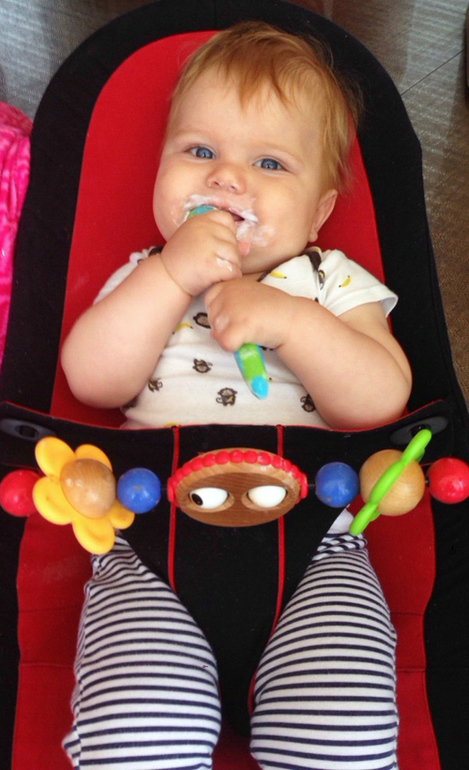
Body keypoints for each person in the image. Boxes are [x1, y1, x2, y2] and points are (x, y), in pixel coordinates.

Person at [61, 21, 411, 770]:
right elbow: (92, 381)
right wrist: (169, 277)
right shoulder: (147, 274)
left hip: (318, 545)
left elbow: (380, 399)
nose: (225, 179)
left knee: (343, 730)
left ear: (318, 213)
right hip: (150, 542)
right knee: (134, 730)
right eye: (198, 152)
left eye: (268, 162)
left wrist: (293, 323)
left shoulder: (328, 282)